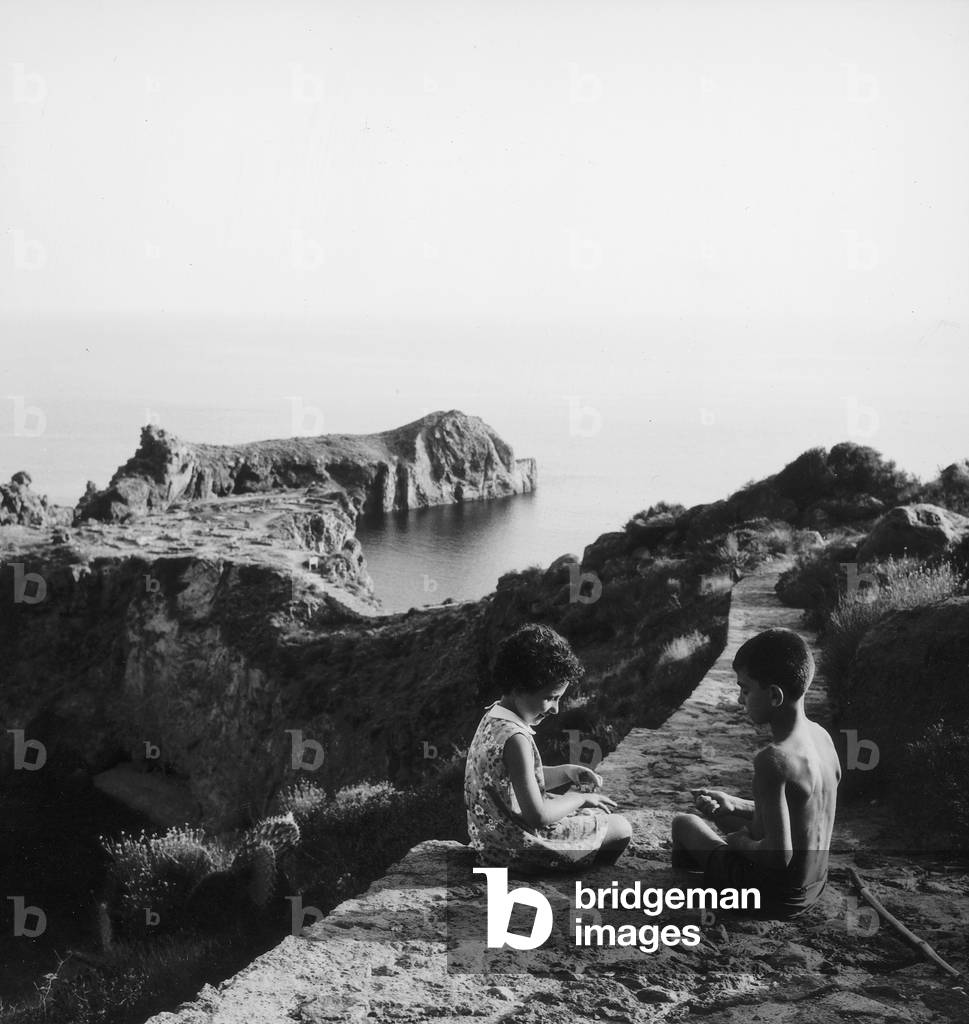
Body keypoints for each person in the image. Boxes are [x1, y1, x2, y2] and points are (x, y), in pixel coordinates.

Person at [671, 627, 840, 919]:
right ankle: (721, 862)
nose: (739, 700)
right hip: (814, 886)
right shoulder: (822, 737)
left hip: (774, 897)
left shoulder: (773, 759)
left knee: (684, 824)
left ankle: (703, 885)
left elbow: (778, 856)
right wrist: (734, 804)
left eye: (745, 690)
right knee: (723, 815)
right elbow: (800, 810)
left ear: (774, 695)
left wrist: (739, 843)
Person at [464, 623, 632, 874]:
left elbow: (514, 779)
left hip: (490, 844)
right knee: (620, 827)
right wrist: (579, 797)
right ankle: (577, 872)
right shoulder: (516, 738)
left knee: (580, 813)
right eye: (551, 697)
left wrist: (565, 772)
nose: (556, 709)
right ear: (520, 686)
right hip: (517, 851)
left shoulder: (492, 717)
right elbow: (538, 816)